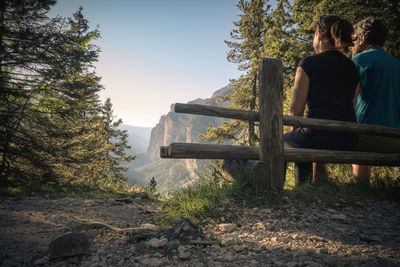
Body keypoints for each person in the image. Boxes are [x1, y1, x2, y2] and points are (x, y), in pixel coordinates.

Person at [284, 15, 360, 185]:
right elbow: (351, 104)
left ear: (318, 34)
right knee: (302, 138)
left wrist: (299, 141)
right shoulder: (352, 67)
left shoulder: (308, 64)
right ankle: (310, 186)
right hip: (349, 138)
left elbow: (295, 112)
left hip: (319, 135)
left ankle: (298, 188)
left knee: (282, 141)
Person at [351, 17, 400, 182]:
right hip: (397, 139)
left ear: (363, 38)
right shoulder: (396, 64)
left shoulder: (360, 60)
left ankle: (362, 188)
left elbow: (350, 101)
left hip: (368, 139)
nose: (352, 44)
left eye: (354, 39)